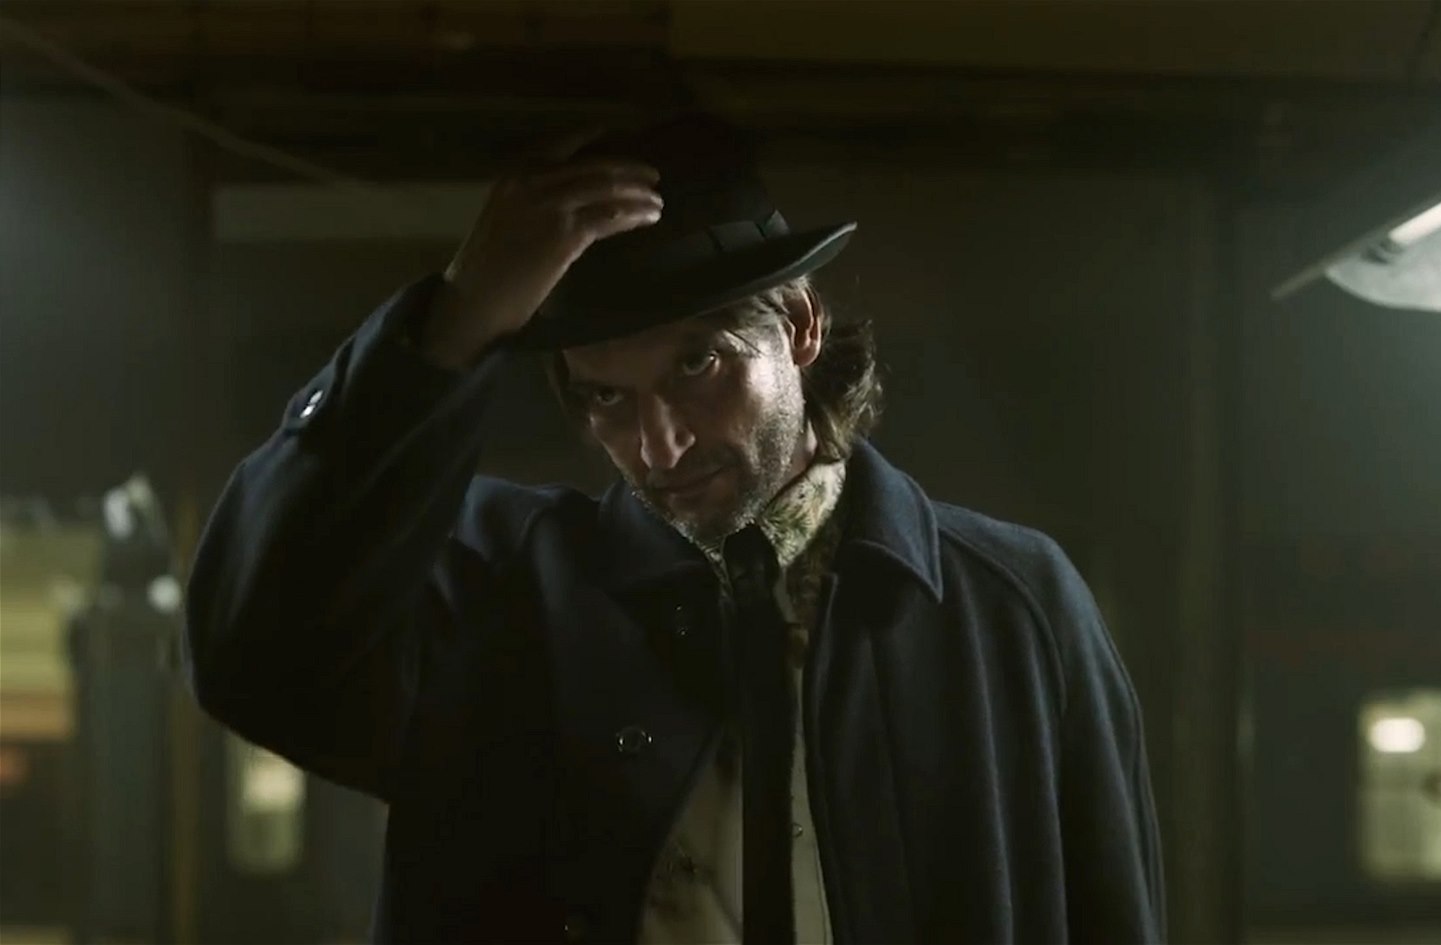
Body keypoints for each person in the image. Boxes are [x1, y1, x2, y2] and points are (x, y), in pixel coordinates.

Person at [184, 113, 1164, 945]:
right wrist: (454, 320)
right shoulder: (504, 589)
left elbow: (1110, 911)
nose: (657, 445)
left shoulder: (1010, 605)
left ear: (800, 327)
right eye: (605, 397)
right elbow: (250, 649)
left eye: (697, 368)